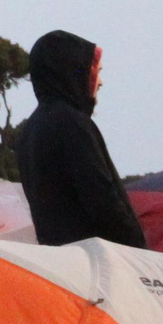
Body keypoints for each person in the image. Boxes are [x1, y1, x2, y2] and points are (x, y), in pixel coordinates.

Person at [15, 30, 143, 249]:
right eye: (95, 72)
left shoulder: (29, 131)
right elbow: (104, 201)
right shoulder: (71, 124)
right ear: (72, 73)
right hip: (97, 262)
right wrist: (138, 251)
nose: (100, 82)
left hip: (61, 262)